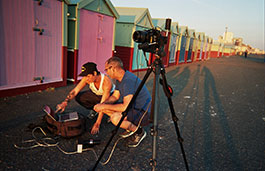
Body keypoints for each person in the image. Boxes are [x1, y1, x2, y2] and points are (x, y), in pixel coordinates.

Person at [94, 57, 151, 148]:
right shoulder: (121, 78)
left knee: (115, 118)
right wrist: (103, 104)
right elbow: (115, 96)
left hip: (143, 112)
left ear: (113, 68)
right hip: (133, 107)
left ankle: (139, 131)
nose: (106, 72)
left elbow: (125, 107)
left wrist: (104, 107)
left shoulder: (127, 81)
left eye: (106, 69)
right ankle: (129, 126)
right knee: (105, 109)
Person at [56, 62, 115, 134]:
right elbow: (75, 90)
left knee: (104, 107)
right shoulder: (86, 79)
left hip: (110, 97)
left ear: (95, 73)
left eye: (88, 76)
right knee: (79, 97)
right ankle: (95, 110)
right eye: (85, 76)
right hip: (97, 95)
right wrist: (64, 103)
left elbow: (103, 103)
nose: (86, 79)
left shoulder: (106, 82)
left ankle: (113, 113)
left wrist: (97, 123)